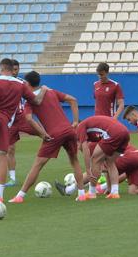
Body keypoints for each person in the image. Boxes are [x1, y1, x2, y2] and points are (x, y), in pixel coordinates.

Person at [0, 58, 47, 202]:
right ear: (13, 70)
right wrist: (43, 89)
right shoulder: (21, 84)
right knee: (2, 157)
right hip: (5, 122)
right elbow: (36, 101)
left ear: (1, 68)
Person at [10, 71, 86, 203]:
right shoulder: (51, 91)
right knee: (75, 162)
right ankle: (81, 194)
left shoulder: (30, 100)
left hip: (54, 135)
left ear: (27, 84)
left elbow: (28, 119)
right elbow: (73, 100)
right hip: (69, 130)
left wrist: (42, 133)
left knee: (37, 165)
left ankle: (20, 196)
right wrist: (74, 122)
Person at [76, 115, 130, 199]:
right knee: (110, 162)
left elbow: (85, 148)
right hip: (125, 133)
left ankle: (92, 193)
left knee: (94, 159)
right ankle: (115, 193)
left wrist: (88, 169)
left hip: (114, 132)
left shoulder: (80, 127)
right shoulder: (92, 129)